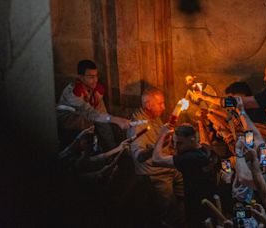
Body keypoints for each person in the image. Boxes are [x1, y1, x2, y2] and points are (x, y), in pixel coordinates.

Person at [129, 87, 184, 227]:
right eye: (160, 103)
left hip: (168, 167)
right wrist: (156, 146)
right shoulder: (138, 126)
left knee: (187, 186)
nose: (164, 107)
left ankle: (182, 216)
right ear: (148, 105)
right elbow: (139, 157)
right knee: (168, 206)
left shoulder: (154, 117)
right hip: (155, 174)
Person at [152, 123, 218, 227]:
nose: (176, 147)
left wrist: (162, 135)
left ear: (192, 139)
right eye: (175, 143)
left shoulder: (190, 158)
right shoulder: (204, 149)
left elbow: (156, 160)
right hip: (208, 203)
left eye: (179, 143)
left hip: (197, 209)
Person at [57, 60, 130, 150]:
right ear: (81, 77)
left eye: (96, 76)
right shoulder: (73, 93)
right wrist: (115, 119)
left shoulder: (95, 92)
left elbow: (102, 117)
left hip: (85, 125)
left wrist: (112, 147)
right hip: (67, 127)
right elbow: (90, 113)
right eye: (91, 77)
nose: (95, 80)